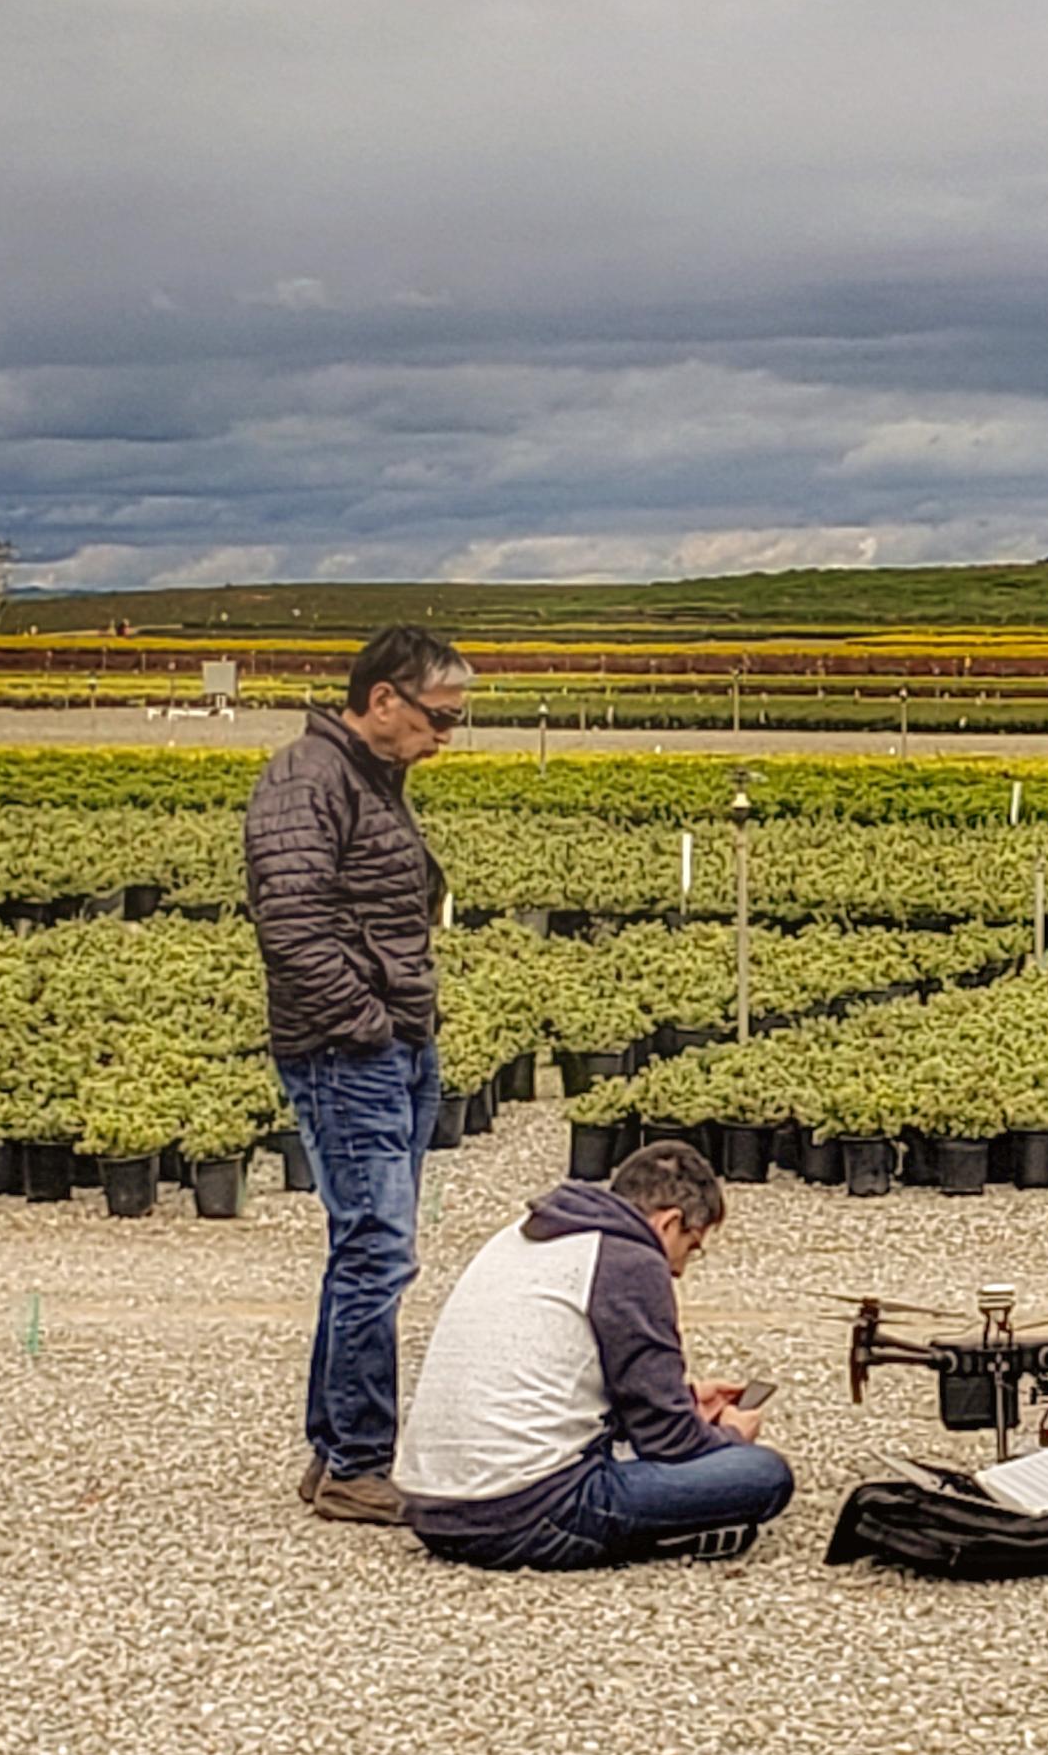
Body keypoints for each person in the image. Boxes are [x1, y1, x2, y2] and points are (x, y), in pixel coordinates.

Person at [247, 625, 473, 1524]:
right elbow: (293, 928)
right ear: (384, 699)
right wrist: (368, 1027)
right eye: (439, 716)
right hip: (350, 1052)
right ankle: (354, 1460)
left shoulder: (365, 777)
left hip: (389, 1044)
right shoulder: (308, 778)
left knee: (365, 1250)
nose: (447, 734)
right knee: (379, 1249)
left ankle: (334, 1451)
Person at [393, 1143, 794, 1569]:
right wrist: (729, 1436)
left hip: (431, 1505)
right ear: (670, 1222)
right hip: (524, 1514)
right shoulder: (632, 1261)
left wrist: (687, 1399)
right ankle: (672, 1538)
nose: (680, 1269)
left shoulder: (522, 1235)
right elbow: (668, 1440)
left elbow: (561, 1384)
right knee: (764, 1474)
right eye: (692, 1248)